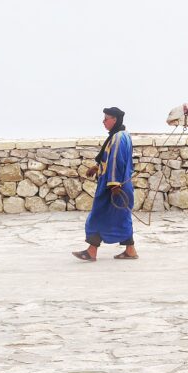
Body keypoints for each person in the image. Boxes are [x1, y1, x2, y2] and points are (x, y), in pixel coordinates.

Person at [72, 107, 137, 261]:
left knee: (97, 217)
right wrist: (97, 167)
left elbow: (116, 161)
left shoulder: (118, 137)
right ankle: (130, 251)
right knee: (121, 218)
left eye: (106, 119)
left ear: (114, 120)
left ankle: (91, 251)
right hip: (119, 185)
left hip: (113, 187)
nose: (103, 121)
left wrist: (114, 184)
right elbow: (109, 158)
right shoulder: (121, 135)